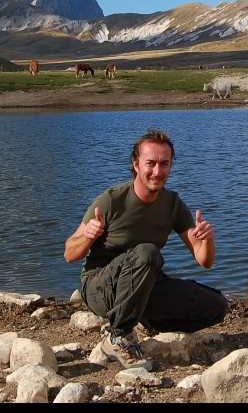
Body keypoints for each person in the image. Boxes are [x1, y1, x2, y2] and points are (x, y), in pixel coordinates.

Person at [64, 127, 228, 370]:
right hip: (100, 286)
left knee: (216, 306)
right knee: (148, 252)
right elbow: (69, 254)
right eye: (150, 163)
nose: (157, 171)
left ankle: (145, 318)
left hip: (145, 285)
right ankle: (118, 336)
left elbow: (204, 261)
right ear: (136, 164)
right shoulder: (111, 201)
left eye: (165, 164)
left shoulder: (172, 204)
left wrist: (207, 239)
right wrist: (88, 237)